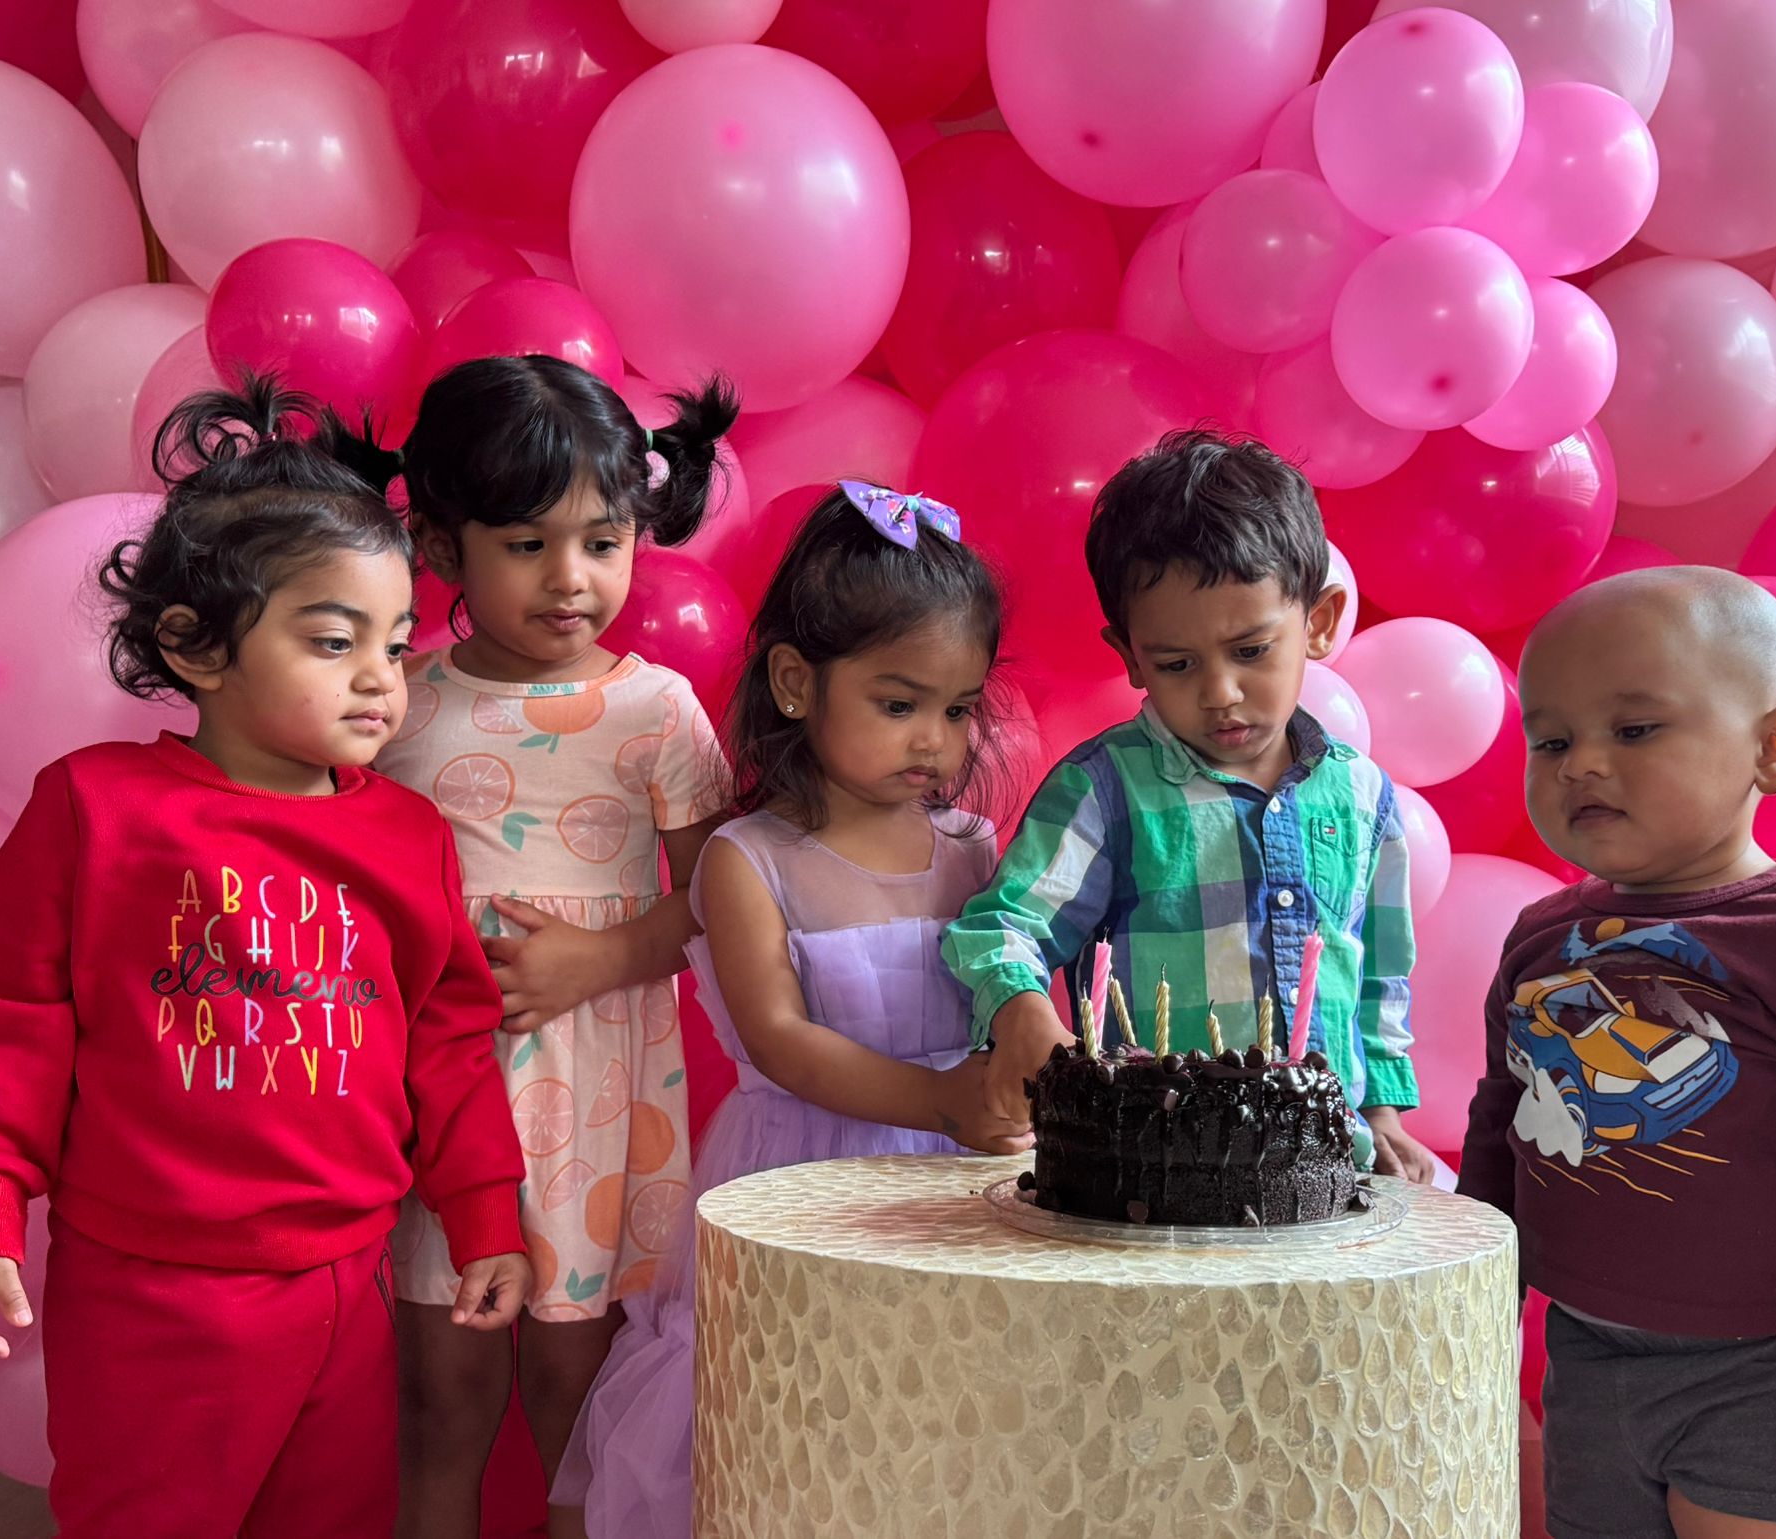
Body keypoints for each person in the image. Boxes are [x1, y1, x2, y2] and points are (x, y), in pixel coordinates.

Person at [0, 376, 531, 1539]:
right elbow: (7, 1028)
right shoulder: (97, 810)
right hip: (150, 1296)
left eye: (394, 647)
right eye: (332, 640)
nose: (377, 679)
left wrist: (485, 1215)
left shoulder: (404, 838)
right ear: (196, 647)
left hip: (345, 1285)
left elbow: (447, 1043)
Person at [557, 481, 1032, 1539]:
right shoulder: (746, 859)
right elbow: (778, 1037)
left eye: (957, 711)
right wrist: (940, 1099)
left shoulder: (970, 851)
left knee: (936, 1432)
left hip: (955, 1187)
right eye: (898, 704)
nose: (935, 742)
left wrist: (1010, 1076)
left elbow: (1010, 987)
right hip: (796, 1185)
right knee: (797, 1431)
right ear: (792, 683)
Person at [1459, 566, 1776, 1534]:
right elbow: (1500, 1126)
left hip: (1773, 1377)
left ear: (1772, 748)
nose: (1580, 764)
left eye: (1633, 730)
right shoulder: (1536, 939)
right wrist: (1466, 1309)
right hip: (1587, 1363)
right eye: (1550, 739)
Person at [358, 355, 736, 1539]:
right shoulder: (394, 704)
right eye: (527, 545)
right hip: (440, 1099)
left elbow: (726, 899)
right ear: (441, 546)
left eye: (603, 540)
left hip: (601, 1098)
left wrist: (606, 954)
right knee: (441, 1399)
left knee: (578, 1412)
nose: (572, 580)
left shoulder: (656, 711)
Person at [943, 429, 1433, 1178]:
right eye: (1176, 663)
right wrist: (1021, 1009)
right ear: (1130, 655)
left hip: (1335, 1167)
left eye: (1251, 650)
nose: (1220, 692)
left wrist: (1382, 1110)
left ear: (1322, 620)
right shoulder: (1105, 789)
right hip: (1153, 1169)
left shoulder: (1365, 795)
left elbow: (1380, 975)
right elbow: (1003, 926)